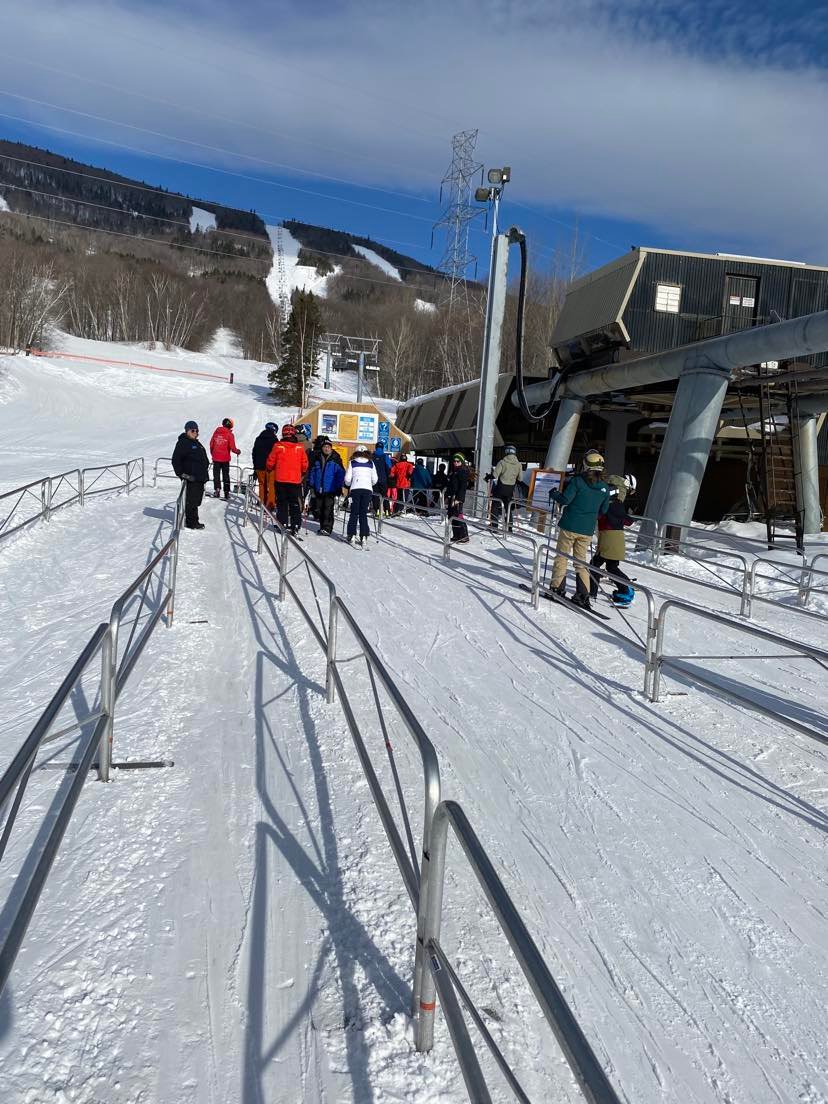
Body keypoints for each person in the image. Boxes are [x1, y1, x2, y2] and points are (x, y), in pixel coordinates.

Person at [548, 450, 610, 610]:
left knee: (562, 557)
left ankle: (557, 589)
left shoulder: (578, 481)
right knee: (580, 562)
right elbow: (604, 510)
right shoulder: (604, 487)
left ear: (585, 466)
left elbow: (565, 499)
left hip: (570, 525)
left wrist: (554, 494)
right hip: (587, 530)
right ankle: (583, 595)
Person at [590, 475, 636, 605]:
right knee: (609, 566)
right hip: (614, 537)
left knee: (596, 564)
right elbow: (628, 521)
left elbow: (600, 516)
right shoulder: (617, 504)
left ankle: (626, 589)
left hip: (609, 537)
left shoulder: (609, 506)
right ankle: (625, 589)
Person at [265, 423, 309, 536]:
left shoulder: (278, 446)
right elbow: (305, 463)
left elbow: (270, 461)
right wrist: (303, 472)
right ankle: (295, 525)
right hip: (295, 480)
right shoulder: (300, 447)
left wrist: (269, 468)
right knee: (294, 503)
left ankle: (282, 523)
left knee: (282, 502)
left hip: (281, 479)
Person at [172, 420, 209, 530]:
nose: (195, 432)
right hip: (191, 478)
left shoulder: (196, 443)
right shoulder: (183, 443)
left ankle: (194, 520)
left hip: (199, 478)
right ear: (187, 431)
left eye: (197, 430)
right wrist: (183, 475)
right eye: (192, 430)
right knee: (191, 501)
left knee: (196, 501)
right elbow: (176, 460)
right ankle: (191, 522)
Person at [309, 440, 346, 535]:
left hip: (330, 488)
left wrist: (339, 487)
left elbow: (340, 474)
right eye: (325, 447)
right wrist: (311, 484)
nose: (326, 449)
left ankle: (327, 528)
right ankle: (322, 526)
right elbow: (312, 472)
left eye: (328, 447)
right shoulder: (317, 458)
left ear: (331, 448)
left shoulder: (335, 459)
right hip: (318, 488)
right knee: (319, 508)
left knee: (328, 509)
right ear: (322, 448)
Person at [344, 444, 377, 546]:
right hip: (367, 490)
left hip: (355, 490)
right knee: (363, 513)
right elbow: (375, 479)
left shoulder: (352, 462)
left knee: (354, 512)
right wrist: (368, 483)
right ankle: (364, 535)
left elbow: (347, 480)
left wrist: (348, 485)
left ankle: (351, 534)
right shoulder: (371, 463)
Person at [486, 445, 522, 530]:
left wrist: (487, 477)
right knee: (508, 507)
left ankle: (494, 526)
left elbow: (495, 475)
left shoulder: (502, 462)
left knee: (495, 504)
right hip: (510, 489)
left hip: (501, 487)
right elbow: (520, 479)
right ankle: (509, 527)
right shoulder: (519, 464)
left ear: (506, 452)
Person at [209, 417, 241, 500]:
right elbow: (232, 447)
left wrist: (213, 453)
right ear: (230, 425)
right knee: (226, 475)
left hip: (216, 458)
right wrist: (237, 451)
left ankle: (217, 490)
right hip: (225, 459)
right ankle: (226, 493)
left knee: (216, 475)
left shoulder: (216, 432)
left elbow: (211, 444)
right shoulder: (230, 434)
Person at [252, 422, 279, 512]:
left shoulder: (258, 439)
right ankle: (270, 504)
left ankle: (262, 502)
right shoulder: (275, 440)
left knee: (261, 485)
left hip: (259, 466)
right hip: (270, 467)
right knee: (271, 486)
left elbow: (254, 453)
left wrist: (255, 466)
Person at [446, 453, 470, 543]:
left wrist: (458, 499)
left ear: (462, 462)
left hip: (457, 497)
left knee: (458, 515)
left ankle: (464, 536)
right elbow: (451, 485)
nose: (455, 463)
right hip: (452, 496)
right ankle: (456, 535)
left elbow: (462, 487)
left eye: (458, 461)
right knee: (452, 515)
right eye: (454, 461)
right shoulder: (454, 471)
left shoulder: (462, 471)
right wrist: (447, 495)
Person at [372, 441, 393, 516]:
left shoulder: (372, 456)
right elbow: (390, 467)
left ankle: (376, 510)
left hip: (374, 479)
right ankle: (387, 511)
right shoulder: (385, 456)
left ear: (376, 447)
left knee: (375, 495)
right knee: (384, 495)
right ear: (382, 448)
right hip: (383, 479)